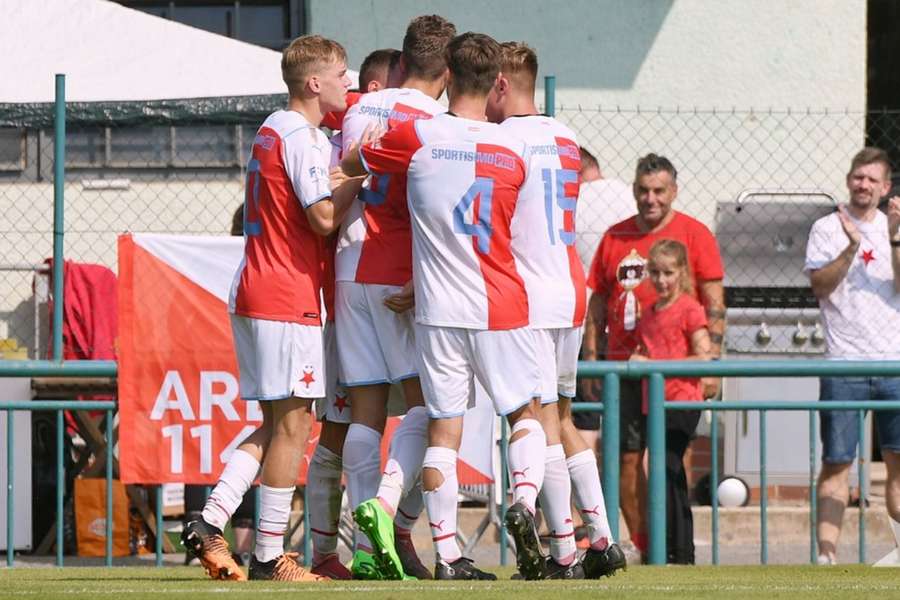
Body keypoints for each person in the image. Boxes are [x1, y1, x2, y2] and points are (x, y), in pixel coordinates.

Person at [343, 31, 548, 581]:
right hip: (500, 302)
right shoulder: (514, 148)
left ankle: (450, 558)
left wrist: (377, 132)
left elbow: (357, 159)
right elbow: (522, 233)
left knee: (442, 430)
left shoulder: (419, 133)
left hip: (435, 307)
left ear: (448, 78)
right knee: (523, 414)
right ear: (497, 84)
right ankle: (525, 505)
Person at [181, 34, 364, 582]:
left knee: (275, 424)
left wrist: (344, 163)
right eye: (340, 74)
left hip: (257, 290)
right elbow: (325, 218)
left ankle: (210, 521)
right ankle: (268, 555)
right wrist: (360, 175)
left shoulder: (270, 128)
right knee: (293, 428)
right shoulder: (303, 138)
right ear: (314, 83)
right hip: (287, 298)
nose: (347, 82)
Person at [486, 41, 625, 579]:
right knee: (562, 417)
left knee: (536, 417)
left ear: (500, 83)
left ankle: (564, 551)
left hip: (528, 293)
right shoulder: (566, 136)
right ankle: (604, 536)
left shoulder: (500, 140)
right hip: (571, 287)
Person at [335, 15, 456, 581]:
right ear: (448, 71)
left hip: (348, 264)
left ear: (401, 62)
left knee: (364, 408)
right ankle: (386, 515)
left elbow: (348, 165)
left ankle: (364, 548)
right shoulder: (438, 123)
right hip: (399, 275)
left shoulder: (362, 105)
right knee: (428, 409)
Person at [582, 153, 725, 560]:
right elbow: (597, 303)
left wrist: (711, 365)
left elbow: (714, 302)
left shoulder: (695, 235)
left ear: (674, 192)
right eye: (643, 190)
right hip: (624, 370)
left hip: (676, 373)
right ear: (633, 191)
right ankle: (646, 545)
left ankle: (675, 546)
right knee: (624, 459)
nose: (650, 199)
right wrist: (593, 360)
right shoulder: (615, 237)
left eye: (659, 190)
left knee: (665, 462)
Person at [305, 46, 404, 582]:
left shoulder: (353, 127)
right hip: (352, 292)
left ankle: (389, 541)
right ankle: (329, 552)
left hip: (383, 286)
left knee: (419, 418)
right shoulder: (335, 136)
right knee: (340, 429)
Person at [805, 147, 900, 566]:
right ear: (849, 180)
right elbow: (821, 287)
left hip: (894, 362)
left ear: (886, 187)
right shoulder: (827, 228)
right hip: (843, 361)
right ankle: (827, 557)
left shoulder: (896, 225)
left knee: (897, 466)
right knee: (837, 462)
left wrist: (895, 236)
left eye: (871, 179)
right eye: (857, 177)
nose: (863, 184)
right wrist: (851, 247)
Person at [630, 239, 712, 564]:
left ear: (681, 272)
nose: (662, 280)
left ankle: (678, 549)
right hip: (656, 403)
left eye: (668, 273)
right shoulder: (649, 314)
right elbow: (649, 353)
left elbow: (704, 357)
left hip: (681, 401)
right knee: (669, 473)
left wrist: (651, 365)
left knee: (663, 466)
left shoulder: (690, 308)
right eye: (655, 273)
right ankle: (677, 549)